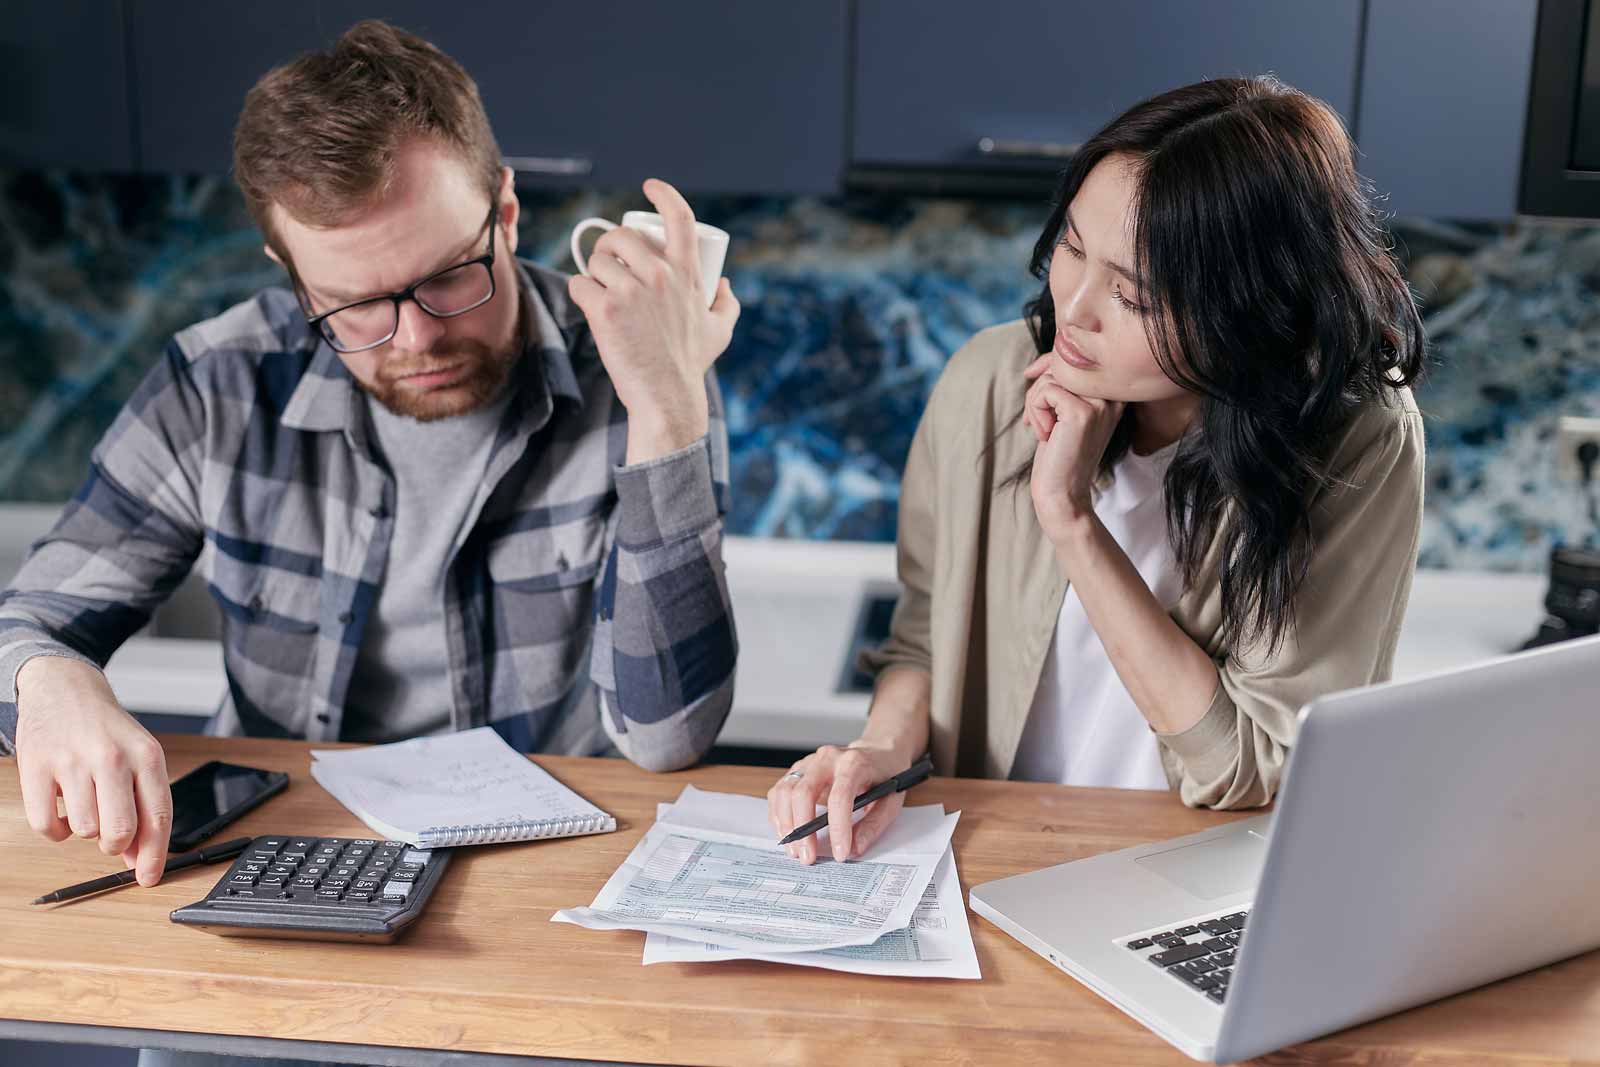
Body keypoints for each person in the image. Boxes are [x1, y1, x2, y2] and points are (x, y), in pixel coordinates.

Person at [0, 20, 740, 892]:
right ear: (290, 270)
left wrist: (666, 411)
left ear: (504, 212)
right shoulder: (219, 380)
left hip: (531, 873)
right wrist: (51, 682)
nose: (418, 337)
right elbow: (29, 622)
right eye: (352, 305)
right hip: (272, 857)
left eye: (450, 275)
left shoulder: (643, 365)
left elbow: (669, 735)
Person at [769, 75, 1426, 864]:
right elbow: (924, 638)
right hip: (994, 862)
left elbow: (1248, 765)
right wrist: (878, 752)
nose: (1074, 308)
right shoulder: (989, 381)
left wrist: (1070, 518)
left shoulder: (1355, 441)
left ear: (1245, 309)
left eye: (1133, 295)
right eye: (1072, 247)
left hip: (1196, 884)